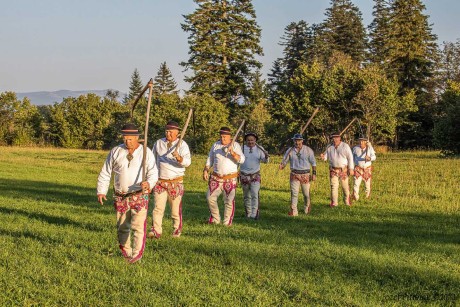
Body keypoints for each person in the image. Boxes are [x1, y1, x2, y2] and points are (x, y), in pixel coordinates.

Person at [97, 123, 158, 264]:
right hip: (121, 196)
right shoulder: (116, 151)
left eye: (130, 139)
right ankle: (126, 253)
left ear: (137, 138)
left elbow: (153, 172)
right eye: (125, 138)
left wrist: (148, 183)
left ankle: (137, 255)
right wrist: (101, 191)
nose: (127, 141)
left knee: (138, 226)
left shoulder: (145, 152)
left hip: (139, 195)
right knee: (122, 227)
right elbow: (106, 172)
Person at [148, 121, 191, 239]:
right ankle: (156, 230)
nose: (168, 134)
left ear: (177, 133)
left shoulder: (182, 145)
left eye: (171, 132)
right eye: (166, 131)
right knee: (157, 208)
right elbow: (152, 161)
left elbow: (187, 163)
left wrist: (179, 158)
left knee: (175, 210)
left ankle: (176, 229)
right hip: (160, 181)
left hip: (175, 182)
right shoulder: (158, 143)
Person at [203, 127, 245, 226]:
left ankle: (227, 222)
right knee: (210, 197)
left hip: (230, 178)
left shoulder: (235, 145)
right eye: (221, 137)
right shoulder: (215, 145)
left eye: (225, 137)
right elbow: (210, 159)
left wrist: (232, 152)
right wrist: (206, 169)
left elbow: (242, 160)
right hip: (216, 177)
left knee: (229, 201)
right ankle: (215, 218)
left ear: (230, 137)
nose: (223, 139)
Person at [279, 133, 317, 216]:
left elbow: (313, 163)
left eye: (299, 140)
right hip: (294, 174)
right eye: (295, 140)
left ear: (302, 141)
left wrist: (314, 174)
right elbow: (284, 161)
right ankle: (294, 211)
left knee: (306, 194)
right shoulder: (290, 150)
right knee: (294, 193)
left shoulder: (308, 150)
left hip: (305, 174)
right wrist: (282, 165)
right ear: (293, 141)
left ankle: (307, 206)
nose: (297, 142)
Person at [240, 132, 269, 219]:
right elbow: (237, 160)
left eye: (252, 140)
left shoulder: (260, 149)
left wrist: (266, 157)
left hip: (255, 175)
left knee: (254, 194)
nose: (250, 142)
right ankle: (248, 213)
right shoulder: (241, 148)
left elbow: (265, 161)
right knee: (246, 196)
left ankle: (254, 213)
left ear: (255, 140)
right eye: (248, 140)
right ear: (245, 141)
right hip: (244, 175)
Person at [321, 132, 354, 207]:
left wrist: (351, 168)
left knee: (345, 187)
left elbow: (350, 157)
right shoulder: (329, 147)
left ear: (340, 138)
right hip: (333, 169)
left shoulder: (345, 146)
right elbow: (326, 157)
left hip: (343, 170)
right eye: (333, 137)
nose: (335, 139)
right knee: (334, 186)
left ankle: (347, 201)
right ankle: (334, 203)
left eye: (336, 137)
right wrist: (323, 157)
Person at [352, 135, 376, 200]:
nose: (361, 142)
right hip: (358, 168)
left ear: (366, 142)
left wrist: (369, 158)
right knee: (356, 184)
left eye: (363, 141)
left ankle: (367, 197)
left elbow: (374, 157)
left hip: (367, 169)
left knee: (367, 185)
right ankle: (355, 197)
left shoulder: (370, 148)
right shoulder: (355, 148)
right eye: (360, 141)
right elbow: (352, 158)